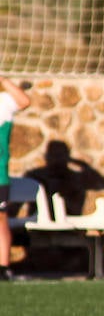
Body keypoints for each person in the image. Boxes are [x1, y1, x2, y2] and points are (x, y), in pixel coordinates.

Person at [0, 75, 32, 281]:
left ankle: (3, 267)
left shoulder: (4, 103)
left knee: (1, 219)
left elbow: (24, 101)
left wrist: (3, 79)